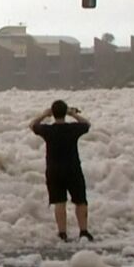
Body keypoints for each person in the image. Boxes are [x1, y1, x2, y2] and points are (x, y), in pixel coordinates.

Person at [29, 100, 94, 242]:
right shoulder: (72, 129)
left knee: (59, 202)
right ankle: (83, 231)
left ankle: (62, 233)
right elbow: (87, 124)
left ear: (53, 113)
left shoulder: (48, 130)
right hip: (73, 169)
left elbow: (32, 125)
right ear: (65, 113)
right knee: (81, 201)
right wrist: (73, 114)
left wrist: (44, 114)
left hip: (54, 170)